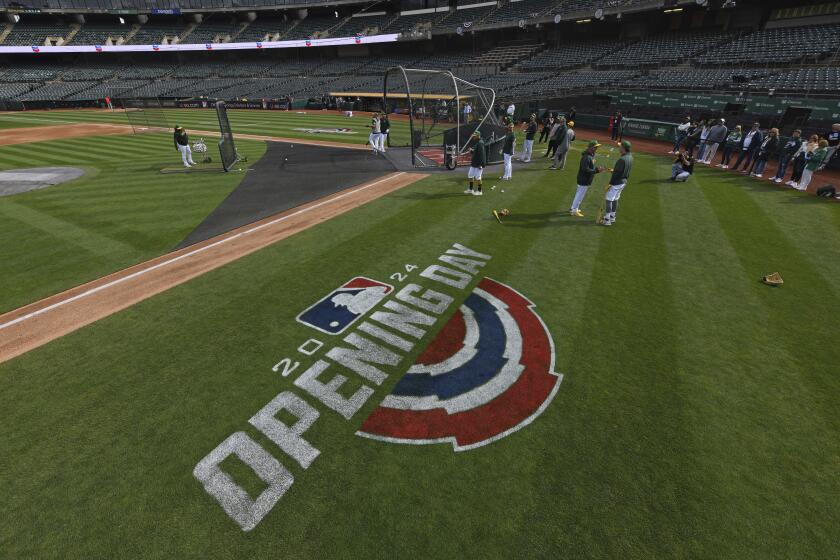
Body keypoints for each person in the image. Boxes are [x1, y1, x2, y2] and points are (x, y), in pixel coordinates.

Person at [569, 140, 605, 217]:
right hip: (584, 179)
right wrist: (596, 170)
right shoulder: (586, 157)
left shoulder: (590, 156)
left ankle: (575, 208)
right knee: (579, 195)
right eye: (595, 147)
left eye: (597, 147)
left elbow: (590, 167)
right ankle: (574, 210)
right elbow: (585, 169)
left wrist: (596, 169)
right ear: (591, 148)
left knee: (580, 194)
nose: (596, 148)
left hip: (585, 179)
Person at [602, 140, 633, 226]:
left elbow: (616, 174)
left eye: (620, 146)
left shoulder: (622, 159)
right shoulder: (630, 157)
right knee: (615, 199)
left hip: (617, 182)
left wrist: (610, 183)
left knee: (608, 199)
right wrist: (614, 170)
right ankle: (613, 217)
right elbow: (621, 170)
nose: (619, 148)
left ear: (623, 148)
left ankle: (607, 219)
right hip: (623, 182)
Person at [465, 130, 486, 196]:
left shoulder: (480, 143)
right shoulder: (477, 142)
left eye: (474, 136)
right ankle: (471, 189)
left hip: (478, 164)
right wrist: (471, 151)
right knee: (470, 175)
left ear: (478, 136)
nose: (473, 137)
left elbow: (482, 155)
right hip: (474, 163)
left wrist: (480, 165)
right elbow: (476, 152)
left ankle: (480, 191)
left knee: (478, 178)